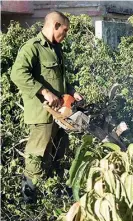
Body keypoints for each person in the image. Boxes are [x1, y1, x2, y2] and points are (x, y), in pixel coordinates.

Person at [11, 11, 83, 202]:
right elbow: (17, 74)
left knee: (59, 154)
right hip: (42, 116)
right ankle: (29, 203)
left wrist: (72, 91)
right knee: (36, 158)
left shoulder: (57, 48)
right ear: (55, 25)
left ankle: (54, 199)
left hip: (60, 115)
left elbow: (61, 80)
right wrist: (44, 91)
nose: (65, 34)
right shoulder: (32, 48)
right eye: (64, 30)